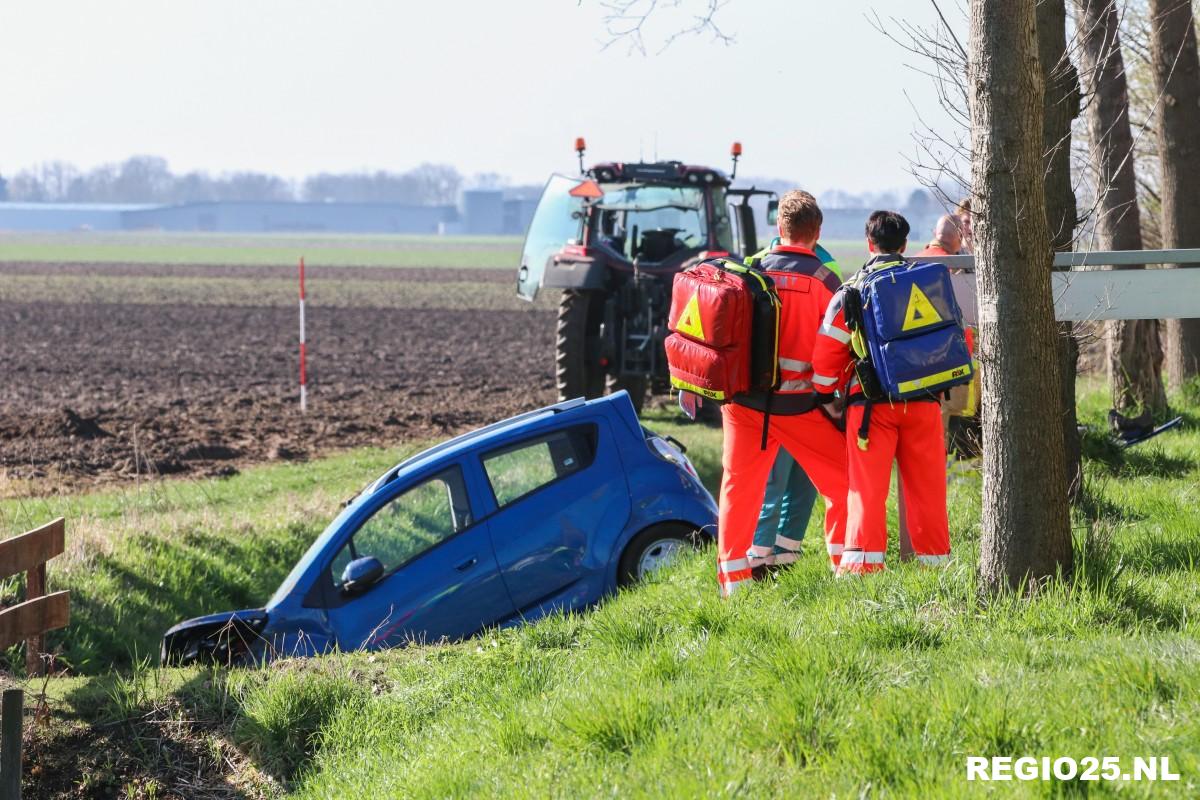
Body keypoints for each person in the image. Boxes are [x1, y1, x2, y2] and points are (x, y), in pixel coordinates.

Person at [716, 190, 850, 596]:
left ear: (780, 228)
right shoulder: (828, 282)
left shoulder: (750, 270)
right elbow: (838, 350)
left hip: (746, 406)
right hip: (802, 408)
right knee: (846, 482)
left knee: (738, 490)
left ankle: (733, 584)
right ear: (817, 232)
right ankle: (846, 570)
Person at [811, 211, 951, 575]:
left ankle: (862, 572)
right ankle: (934, 571)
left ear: (868, 243)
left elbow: (827, 354)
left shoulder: (852, 290)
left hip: (870, 410)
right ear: (905, 245)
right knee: (928, 492)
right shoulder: (929, 284)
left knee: (867, 493)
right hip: (924, 403)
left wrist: (829, 397)